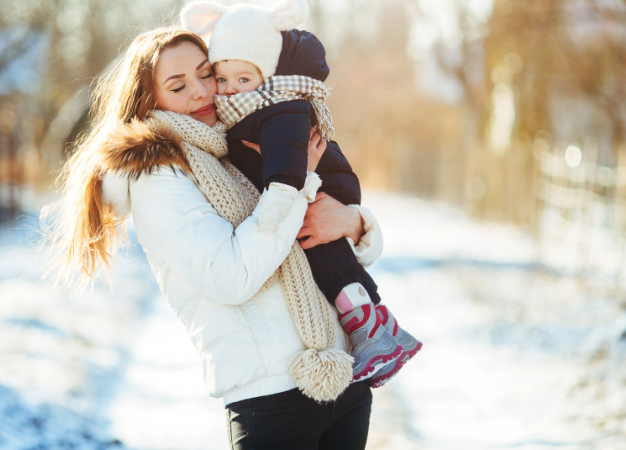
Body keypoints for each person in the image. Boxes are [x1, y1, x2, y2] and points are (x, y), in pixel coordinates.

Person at [42, 26, 383, 449]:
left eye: (207, 74)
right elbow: (232, 276)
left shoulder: (242, 142)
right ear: (150, 99)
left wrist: (355, 223)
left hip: (343, 376)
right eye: (178, 85)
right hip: (272, 397)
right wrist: (296, 184)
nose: (202, 92)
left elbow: (326, 242)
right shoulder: (159, 176)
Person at [181, 0, 421, 386]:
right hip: (268, 362)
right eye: (222, 79)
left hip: (322, 190)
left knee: (321, 248)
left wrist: (300, 195)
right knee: (318, 242)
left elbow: (290, 169)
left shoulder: (274, 107)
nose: (225, 91)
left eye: (243, 80)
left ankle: (371, 329)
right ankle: (379, 327)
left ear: (265, 74)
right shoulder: (240, 114)